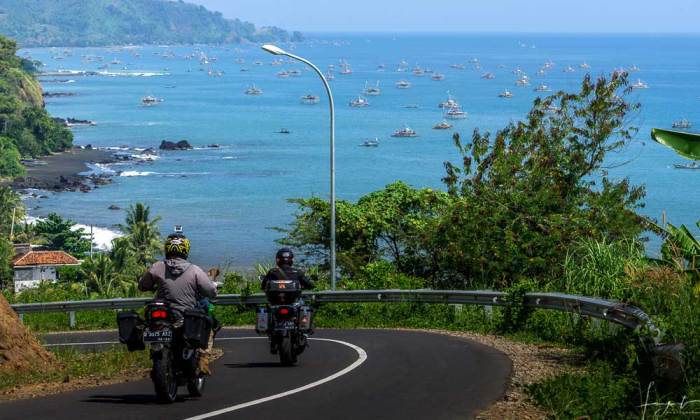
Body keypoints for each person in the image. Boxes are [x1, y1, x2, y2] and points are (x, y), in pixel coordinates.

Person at [139, 230, 218, 374]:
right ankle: (203, 357)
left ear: (167, 248)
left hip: (161, 314)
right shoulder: (195, 270)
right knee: (209, 324)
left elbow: (142, 285)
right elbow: (211, 292)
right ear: (186, 249)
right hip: (184, 317)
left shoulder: (157, 267)